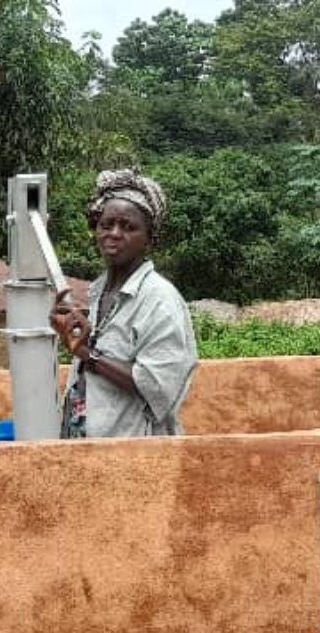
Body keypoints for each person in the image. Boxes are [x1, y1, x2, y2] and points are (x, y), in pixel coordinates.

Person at [49, 169, 197, 438]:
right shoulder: (97, 292)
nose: (114, 234)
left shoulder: (159, 299)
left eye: (128, 227)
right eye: (106, 225)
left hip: (134, 457)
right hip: (85, 452)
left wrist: (87, 353)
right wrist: (66, 331)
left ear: (150, 239)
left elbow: (158, 385)